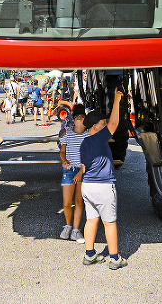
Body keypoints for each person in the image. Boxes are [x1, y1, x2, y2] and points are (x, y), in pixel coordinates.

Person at [78, 88, 127, 269]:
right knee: (109, 222)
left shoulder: (85, 143)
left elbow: (84, 166)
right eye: (102, 123)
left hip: (88, 186)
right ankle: (115, 259)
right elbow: (114, 123)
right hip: (103, 186)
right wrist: (116, 100)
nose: (105, 125)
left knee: (91, 220)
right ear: (95, 127)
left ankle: (90, 255)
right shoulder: (98, 139)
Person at [59, 104, 87, 243]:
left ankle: (76, 230)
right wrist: (64, 160)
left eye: (82, 117)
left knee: (79, 201)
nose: (80, 118)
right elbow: (62, 151)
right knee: (66, 203)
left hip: (83, 170)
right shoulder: (67, 134)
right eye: (77, 117)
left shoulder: (89, 135)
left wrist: (81, 172)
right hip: (69, 169)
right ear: (73, 120)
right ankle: (68, 225)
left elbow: (90, 156)